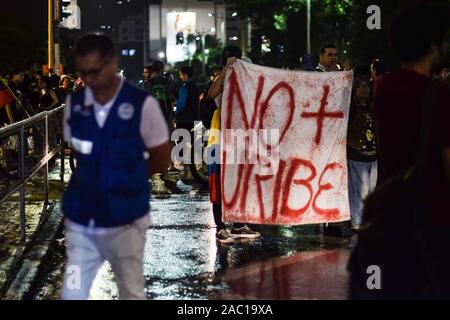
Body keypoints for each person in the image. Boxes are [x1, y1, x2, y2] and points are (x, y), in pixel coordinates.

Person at [61, 33, 170, 300]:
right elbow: (77, 150)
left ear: (112, 63)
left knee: (130, 291)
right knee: (72, 292)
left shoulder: (142, 105)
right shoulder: (75, 105)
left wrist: (126, 178)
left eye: (95, 71)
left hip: (127, 220)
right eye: (83, 73)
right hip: (82, 221)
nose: (89, 80)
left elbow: (161, 157)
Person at [371, 5, 450, 299]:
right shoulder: (438, 96)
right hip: (434, 221)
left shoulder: (383, 89)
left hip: (392, 217)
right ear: (432, 46)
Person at [207, 46, 261, 243]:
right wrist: (225, 71)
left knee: (238, 183)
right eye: (234, 61)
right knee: (218, 184)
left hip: (239, 139)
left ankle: (237, 225)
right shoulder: (222, 77)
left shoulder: (244, 80)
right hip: (219, 139)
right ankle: (220, 228)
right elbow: (211, 94)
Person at [347, 66, 377, 228]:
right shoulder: (351, 109)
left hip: (372, 156)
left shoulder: (371, 106)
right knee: (359, 191)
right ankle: (358, 222)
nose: (364, 89)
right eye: (360, 86)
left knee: (370, 191)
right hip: (357, 155)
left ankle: (366, 220)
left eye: (367, 86)